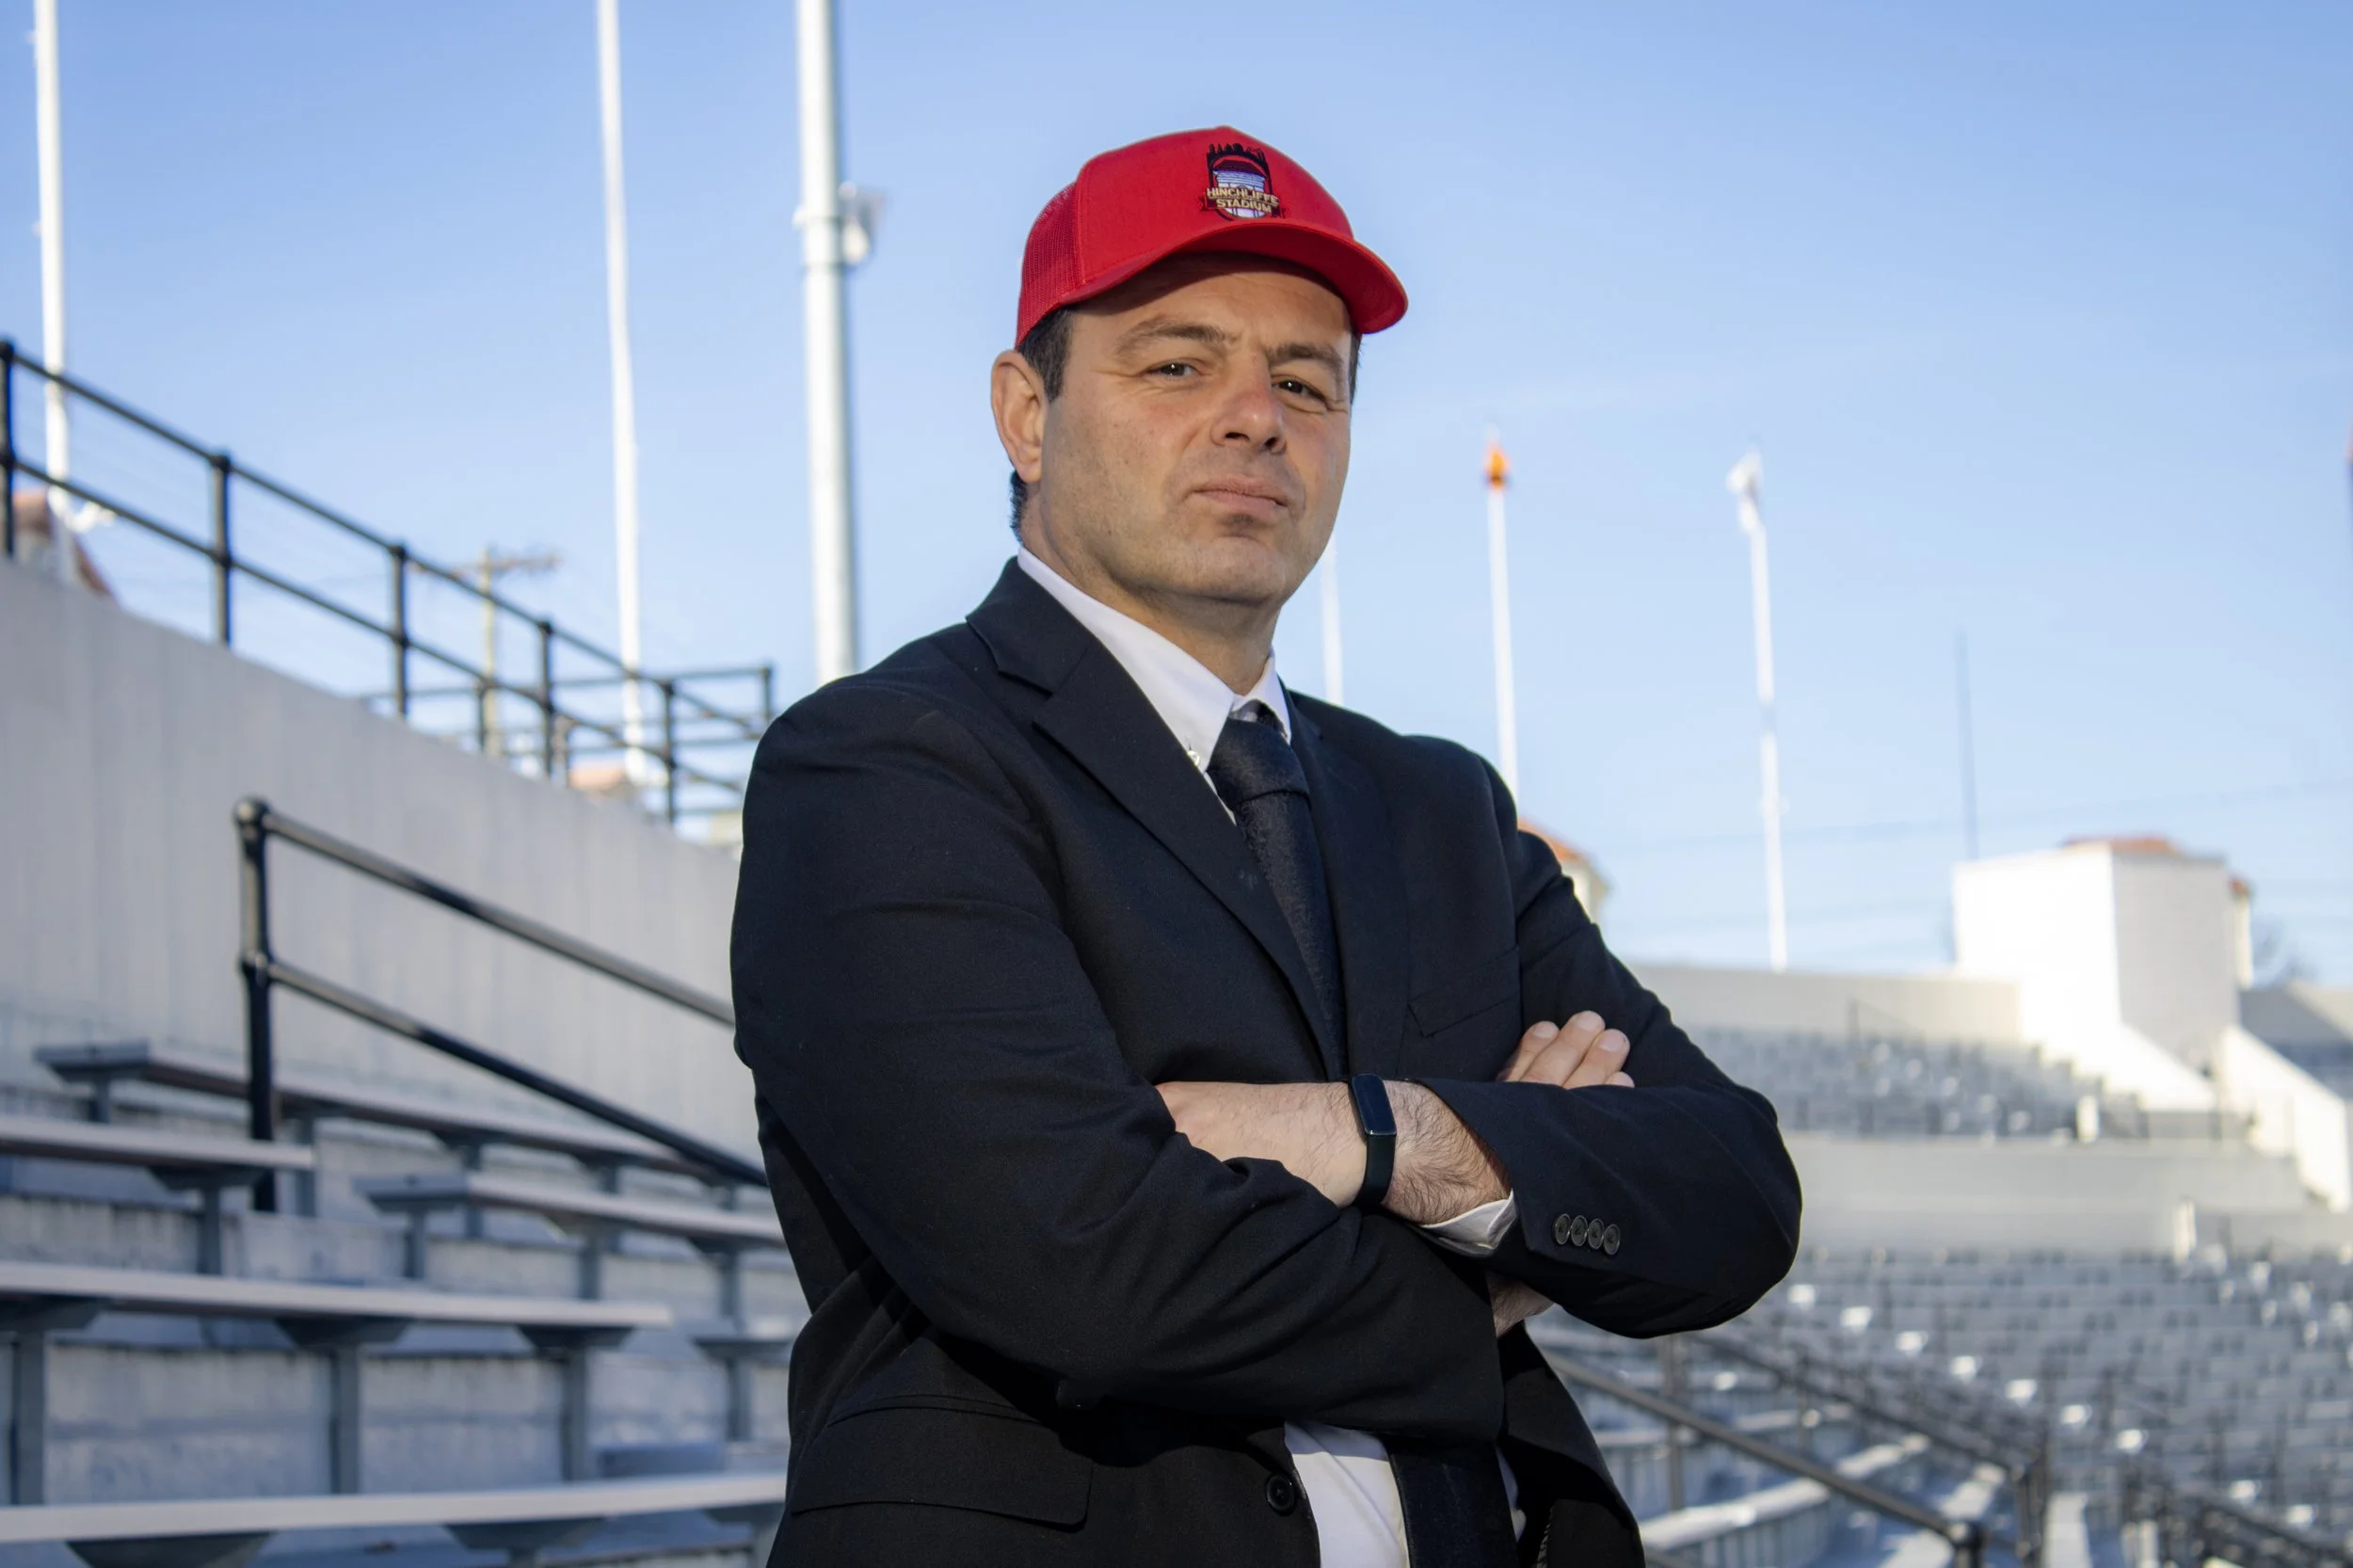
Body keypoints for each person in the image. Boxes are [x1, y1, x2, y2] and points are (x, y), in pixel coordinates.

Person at [730, 125, 1801, 1568]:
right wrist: (1494, 1242)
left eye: (1307, 381)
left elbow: (1730, 1193)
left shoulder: (1443, 813)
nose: (1255, 416)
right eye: (1178, 363)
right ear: (1026, 413)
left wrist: (1376, 1132)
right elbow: (1092, 1262)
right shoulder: (886, 763)